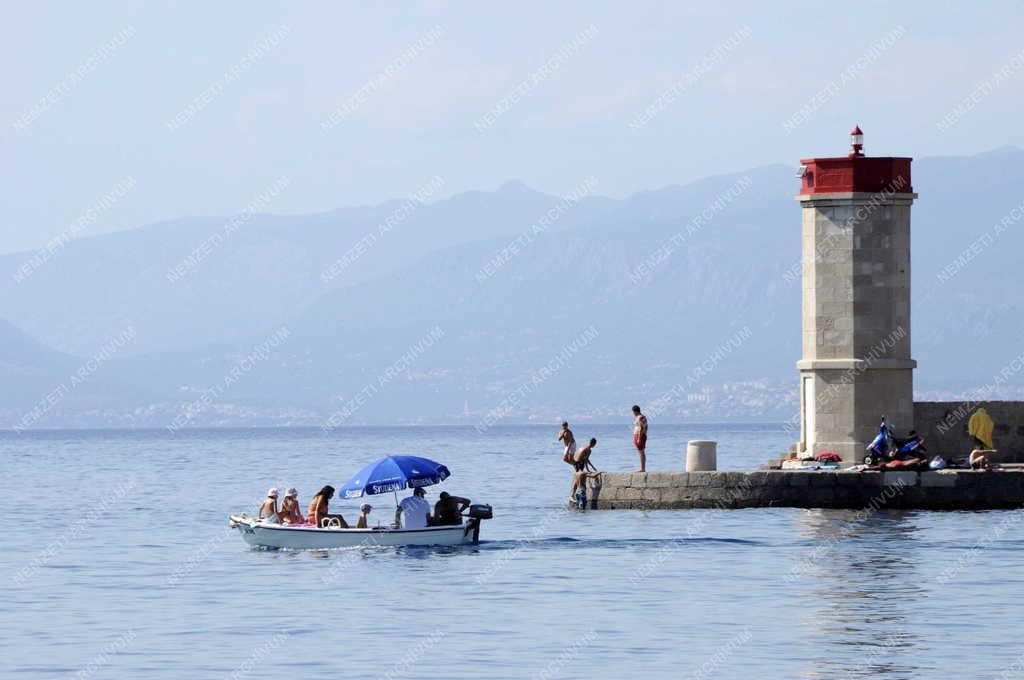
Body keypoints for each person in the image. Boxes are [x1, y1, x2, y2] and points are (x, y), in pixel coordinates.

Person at [632, 405, 648, 472]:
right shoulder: (643, 417)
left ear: (635, 411)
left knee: (641, 452)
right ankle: (642, 468)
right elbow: (646, 427)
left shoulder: (640, 417)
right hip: (642, 435)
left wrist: (638, 438)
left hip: (640, 436)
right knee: (641, 452)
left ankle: (642, 468)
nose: (633, 414)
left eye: (633, 412)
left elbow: (641, 428)